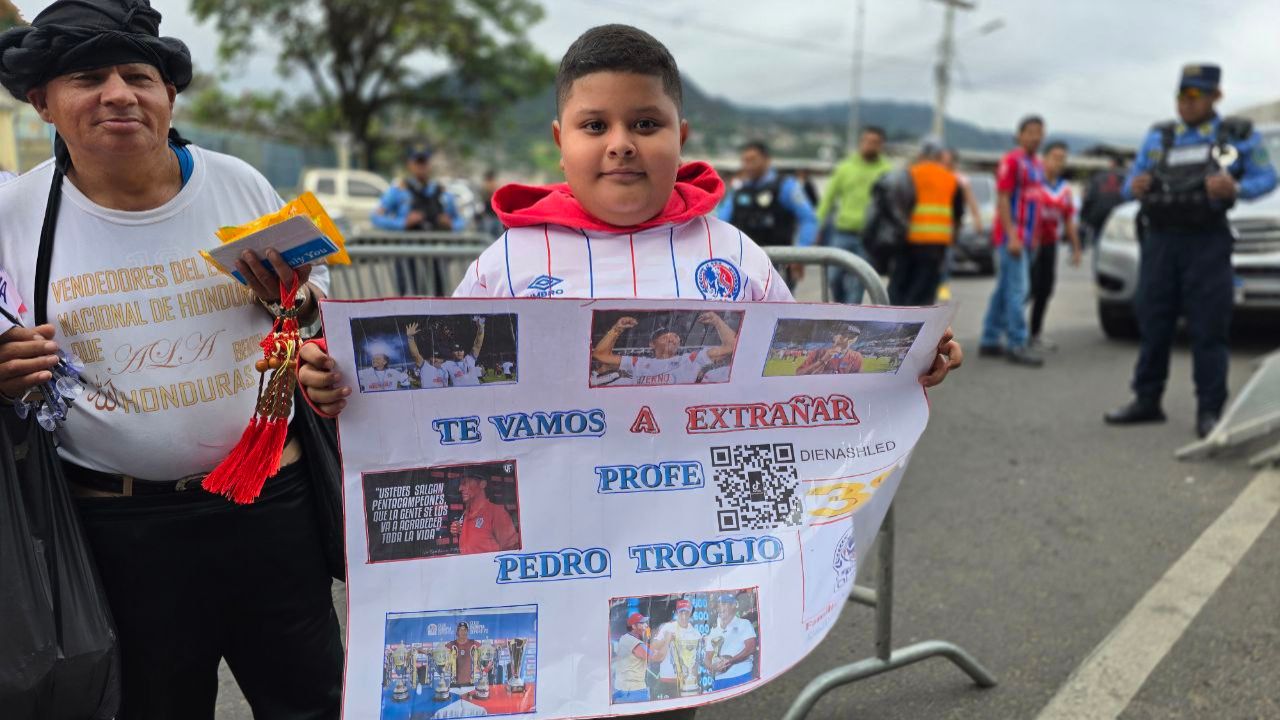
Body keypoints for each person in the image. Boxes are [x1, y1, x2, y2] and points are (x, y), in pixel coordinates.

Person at [296, 24, 961, 717]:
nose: (621, 142)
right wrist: (337, 388)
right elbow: (437, 404)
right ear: (561, 139)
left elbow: (801, 380)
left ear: (681, 133)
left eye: (646, 123)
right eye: (596, 125)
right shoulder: (510, 261)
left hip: (687, 564)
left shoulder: (734, 255)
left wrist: (909, 365)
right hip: (548, 559)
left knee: (663, 698)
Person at [0, 3, 341, 718]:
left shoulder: (237, 184)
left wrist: (301, 310)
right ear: (42, 104)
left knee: (313, 703)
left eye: (138, 76)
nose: (118, 94)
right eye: (88, 78)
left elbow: (316, 320)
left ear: (169, 96)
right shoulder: (14, 214)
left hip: (272, 509)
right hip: (120, 534)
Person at [1105, 64, 1276, 438]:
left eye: (1196, 95)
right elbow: (1129, 184)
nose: (1186, 102)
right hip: (1160, 241)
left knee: (1208, 327)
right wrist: (1135, 186)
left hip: (1206, 241)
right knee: (1153, 322)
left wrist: (1236, 189)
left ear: (1216, 96)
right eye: (1182, 95)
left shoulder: (1237, 135)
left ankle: (1209, 411)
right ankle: (1147, 399)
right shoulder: (1160, 136)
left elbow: (1267, 178)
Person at [980, 115, 1047, 366]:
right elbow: (1003, 198)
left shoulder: (1037, 164)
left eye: (1039, 132)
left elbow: (1036, 201)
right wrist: (1012, 236)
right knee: (1020, 291)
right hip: (1013, 238)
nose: (1035, 137)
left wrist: (1035, 236)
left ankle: (989, 338)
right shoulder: (1011, 161)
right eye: (1030, 132)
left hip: (1029, 239)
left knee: (1005, 290)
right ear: (1019, 135)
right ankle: (1017, 342)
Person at [718, 140, 818, 288]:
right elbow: (722, 222)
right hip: (744, 265)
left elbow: (808, 219)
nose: (748, 165)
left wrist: (800, 253)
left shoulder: (786, 186)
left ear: (766, 160)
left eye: (753, 160)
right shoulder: (739, 190)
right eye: (745, 161)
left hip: (778, 264)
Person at [816, 126, 895, 303]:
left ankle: (850, 316)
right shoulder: (845, 168)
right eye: (867, 141)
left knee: (858, 282)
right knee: (833, 277)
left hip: (868, 237)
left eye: (875, 142)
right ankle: (841, 307)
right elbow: (827, 199)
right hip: (842, 233)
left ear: (881, 145)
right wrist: (817, 225)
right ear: (861, 142)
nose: (870, 145)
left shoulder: (887, 171)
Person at [888, 139, 964, 306]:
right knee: (924, 291)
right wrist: (952, 240)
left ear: (921, 155)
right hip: (936, 244)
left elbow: (897, 205)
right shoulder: (951, 179)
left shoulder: (910, 174)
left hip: (909, 240)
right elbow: (958, 215)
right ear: (939, 156)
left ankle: (896, 317)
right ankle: (918, 319)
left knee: (899, 287)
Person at [1028, 141, 1083, 350]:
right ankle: (1012, 331)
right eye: (1055, 157)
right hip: (1030, 244)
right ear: (1044, 159)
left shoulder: (1064, 189)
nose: (1058, 163)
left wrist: (1076, 248)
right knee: (1025, 289)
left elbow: (1068, 220)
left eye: (1062, 159)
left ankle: (1035, 333)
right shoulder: (1034, 183)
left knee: (1045, 289)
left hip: (1050, 244)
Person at [592, 312, 737, 386]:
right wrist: (617, 329)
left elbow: (731, 347)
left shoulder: (691, 359)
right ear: (652, 344)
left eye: (675, 336)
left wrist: (717, 321)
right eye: (664, 336)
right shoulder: (638, 363)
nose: (671, 338)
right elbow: (600, 355)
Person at [371, 146, 466, 232]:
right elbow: (376, 218)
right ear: (410, 165)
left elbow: (461, 221)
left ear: (429, 165)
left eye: (424, 162)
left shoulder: (442, 193)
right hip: (408, 244)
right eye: (417, 162)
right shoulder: (399, 190)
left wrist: (451, 225)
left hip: (437, 244)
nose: (421, 167)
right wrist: (403, 223)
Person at [937, 147, 983, 301]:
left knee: (947, 255)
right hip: (932, 223)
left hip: (950, 225)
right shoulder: (935, 176)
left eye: (948, 160)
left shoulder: (960, 179)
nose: (945, 163)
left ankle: (943, 284)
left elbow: (971, 200)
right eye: (942, 160)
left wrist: (977, 219)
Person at [450, 472, 519, 554]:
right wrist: (459, 531)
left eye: (465, 483)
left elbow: (511, 549)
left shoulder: (496, 512)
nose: (460, 488)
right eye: (461, 484)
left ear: (482, 484)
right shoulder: (465, 514)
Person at [704, 594, 757, 692]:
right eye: (718, 605)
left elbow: (751, 648)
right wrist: (713, 667)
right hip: (719, 681)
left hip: (741, 676)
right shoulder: (714, 631)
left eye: (724, 604)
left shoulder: (744, 624)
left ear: (733, 606)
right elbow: (707, 658)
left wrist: (730, 661)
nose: (720, 608)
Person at [613, 612, 668, 703]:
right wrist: (667, 640)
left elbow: (650, 649)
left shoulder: (626, 638)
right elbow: (656, 657)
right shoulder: (632, 641)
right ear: (634, 626)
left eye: (645, 623)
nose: (646, 626)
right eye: (642, 623)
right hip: (633, 691)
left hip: (624, 689)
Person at [655, 599, 705, 699]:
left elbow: (696, 661)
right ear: (676, 613)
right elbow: (654, 650)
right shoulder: (668, 628)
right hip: (668, 681)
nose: (684, 616)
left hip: (688, 683)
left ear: (690, 613)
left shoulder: (695, 633)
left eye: (686, 612)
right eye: (681, 612)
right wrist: (666, 639)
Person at [1079, 153, 1127, 249]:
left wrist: (1083, 217)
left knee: (1098, 245)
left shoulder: (1099, 177)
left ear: (1112, 163)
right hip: (1119, 218)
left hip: (1099, 217)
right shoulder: (1129, 179)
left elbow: (1089, 198)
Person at [797, 325, 863, 375]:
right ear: (834, 336)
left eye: (852, 337)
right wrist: (823, 360)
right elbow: (799, 374)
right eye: (844, 335)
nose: (847, 340)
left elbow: (857, 380)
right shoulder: (818, 353)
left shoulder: (856, 357)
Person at [405, 321, 452, 388]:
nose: (435, 359)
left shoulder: (446, 368)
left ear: (442, 360)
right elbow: (415, 354)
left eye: (438, 357)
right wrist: (410, 337)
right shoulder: (425, 366)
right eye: (433, 357)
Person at [442, 316, 485, 387]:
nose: (459, 352)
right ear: (452, 352)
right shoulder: (448, 364)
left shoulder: (469, 359)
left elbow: (478, 345)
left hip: (476, 391)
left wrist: (481, 328)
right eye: (456, 350)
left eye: (461, 350)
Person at [445, 622, 482, 687]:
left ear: (467, 631)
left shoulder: (473, 643)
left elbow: (485, 649)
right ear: (457, 632)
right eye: (461, 630)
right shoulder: (451, 644)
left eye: (465, 630)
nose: (463, 632)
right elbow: (441, 652)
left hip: (470, 683)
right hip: (454, 683)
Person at [476, 168, 503, 237]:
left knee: (495, 235)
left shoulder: (494, 187)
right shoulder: (485, 189)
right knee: (489, 235)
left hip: (495, 217)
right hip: (489, 216)